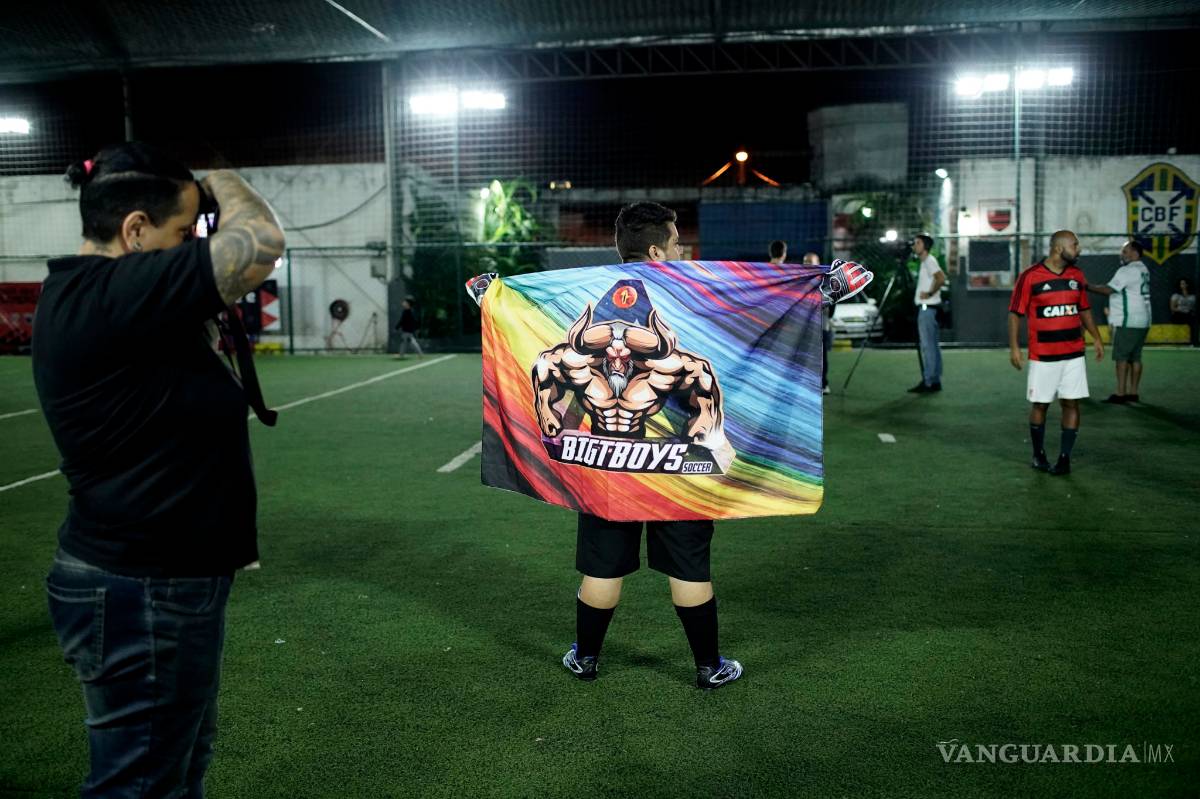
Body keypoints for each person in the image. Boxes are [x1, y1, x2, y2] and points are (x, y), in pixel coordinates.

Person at [33, 142, 285, 798]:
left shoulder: (117, 298)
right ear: (135, 230)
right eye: (180, 232)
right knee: (140, 784)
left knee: (172, 769)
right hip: (142, 585)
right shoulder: (110, 293)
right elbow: (260, 239)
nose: (189, 244)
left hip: (157, 580)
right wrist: (221, 178)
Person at [563, 201, 743, 690]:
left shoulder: (585, 293)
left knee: (603, 566)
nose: (684, 251)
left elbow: (526, 315)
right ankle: (708, 667)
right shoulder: (697, 295)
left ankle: (586, 659)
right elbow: (757, 301)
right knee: (687, 566)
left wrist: (491, 296)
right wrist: (821, 288)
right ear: (657, 251)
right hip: (679, 466)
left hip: (608, 462)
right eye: (679, 243)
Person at [1007, 230, 1103, 476]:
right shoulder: (1029, 276)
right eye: (1075, 244)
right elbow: (1015, 313)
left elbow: (1084, 310)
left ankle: (1064, 459)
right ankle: (1038, 455)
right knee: (1041, 405)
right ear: (1059, 248)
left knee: (1071, 404)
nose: (1078, 249)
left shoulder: (1077, 276)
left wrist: (1097, 337)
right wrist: (1015, 346)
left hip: (1073, 353)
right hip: (1043, 355)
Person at [1087, 240, 1151, 403]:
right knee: (1135, 358)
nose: (1122, 255)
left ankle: (1120, 393)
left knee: (1121, 358)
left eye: (1125, 251)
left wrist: (1086, 286)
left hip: (1128, 320)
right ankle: (1133, 392)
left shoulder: (1127, 271)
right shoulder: (1143, 269)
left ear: (1135, 253)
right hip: (1143, 319)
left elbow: (1109, 290)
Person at [907, 234, 944, 394]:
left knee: (928, 346)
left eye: (918, 243)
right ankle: (934, 379)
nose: (914, 245)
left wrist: (929, 294)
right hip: (930, 310)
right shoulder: (925, 262)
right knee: (933, 346)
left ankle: (928, 381)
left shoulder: (929, 261)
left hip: (927, 309)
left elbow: (941, 278)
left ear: (925, 246)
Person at [802, 251, 833, 394]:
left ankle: (823, 384)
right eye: (805, 262)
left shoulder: (825, 280)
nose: (807, 265)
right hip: (804, 325)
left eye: (810, 262)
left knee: (821, 356)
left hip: (821, 324)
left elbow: (832, 302)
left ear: (818, 262)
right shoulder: (801, 280)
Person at [1170, 277, 1197, 346]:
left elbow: (1194, 307)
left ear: (1187, 285)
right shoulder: (1176, 295)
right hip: (1179, 314)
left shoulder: (1192, 296)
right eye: (1181, 284)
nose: (1182, 285)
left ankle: (1193, 342)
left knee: (1193, 321)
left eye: (1184, 284)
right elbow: (1173, 308)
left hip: (1189, 314)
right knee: (1190, 318)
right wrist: (1183, 310)